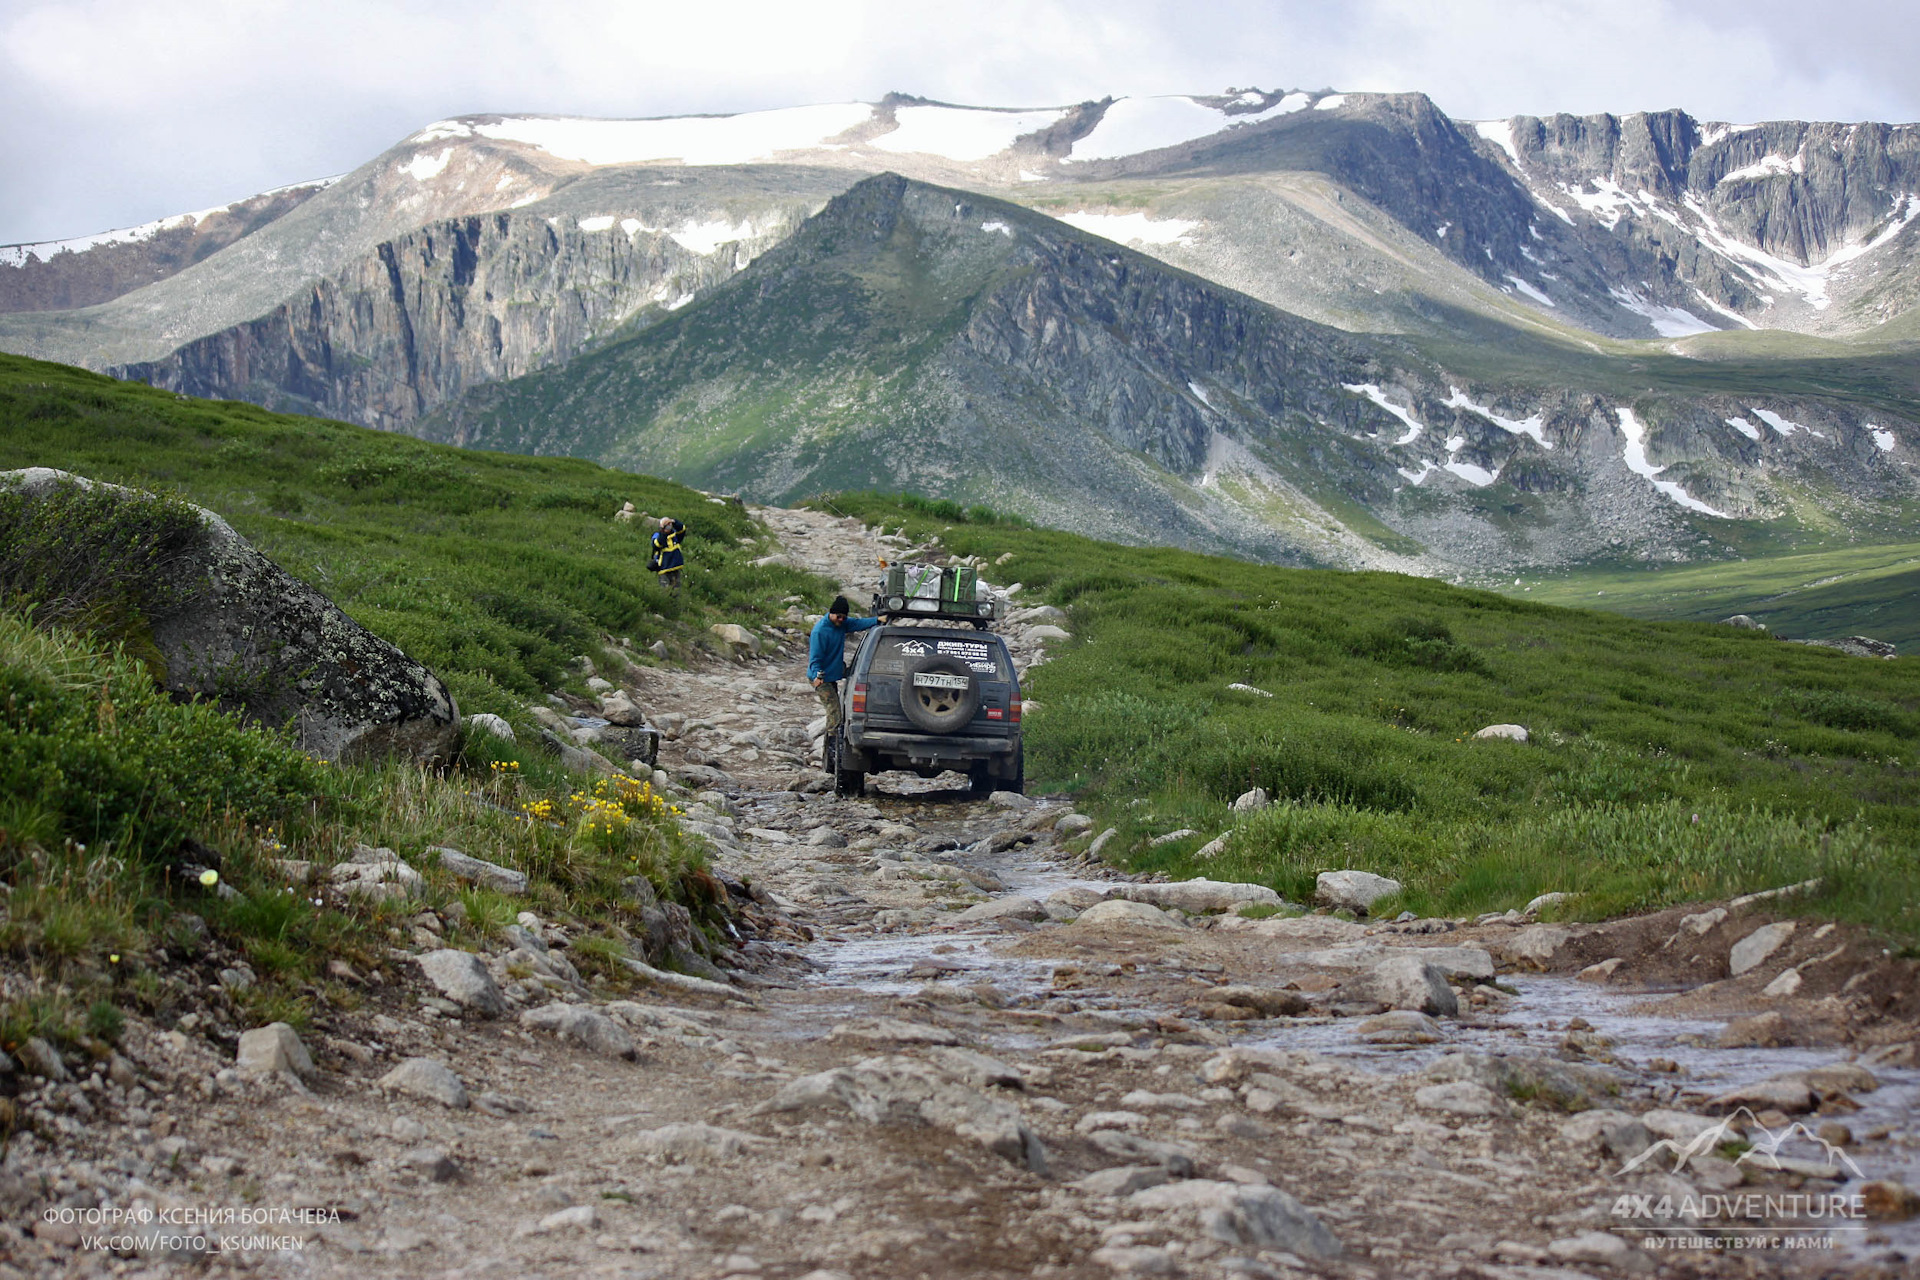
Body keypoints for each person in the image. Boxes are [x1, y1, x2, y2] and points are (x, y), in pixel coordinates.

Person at [808, 595, 880, 734]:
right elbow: (815, 658)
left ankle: (832, 740)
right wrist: (818, 677)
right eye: (839, 617)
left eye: (844, 617)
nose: (841, 620)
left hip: (831, 675)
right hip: (820, 678)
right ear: (831, 613)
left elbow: (859, 623)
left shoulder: (842, 624)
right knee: (834, 712)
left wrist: (877, 620)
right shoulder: (820, 632)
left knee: (835, 709)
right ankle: (833, 745)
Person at [649, 516, 686, 591]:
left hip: (675, 568)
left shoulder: (675, 536)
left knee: (676, 592)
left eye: (669, 525)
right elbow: (657, 544)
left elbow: (682, 529)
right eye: (667, 525)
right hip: (664, 569)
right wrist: (663, 531)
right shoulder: (657, 536)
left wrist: (673, 521)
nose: (668, 527)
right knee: (665, 591)